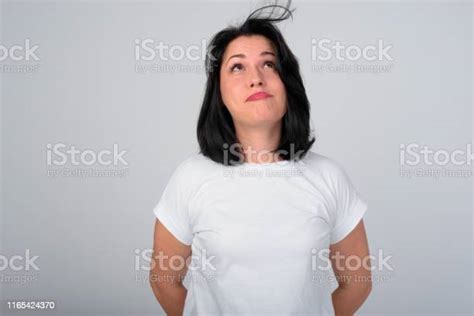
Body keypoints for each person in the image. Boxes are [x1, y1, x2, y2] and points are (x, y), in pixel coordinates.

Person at [150, 2, 372, 315]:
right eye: (237, 67)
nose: (256, 77)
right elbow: (163, 279)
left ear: (287, 83)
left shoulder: (328, 177)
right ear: (220, 93)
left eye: (268, 64)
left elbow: (358, 280)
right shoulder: (190, 178)